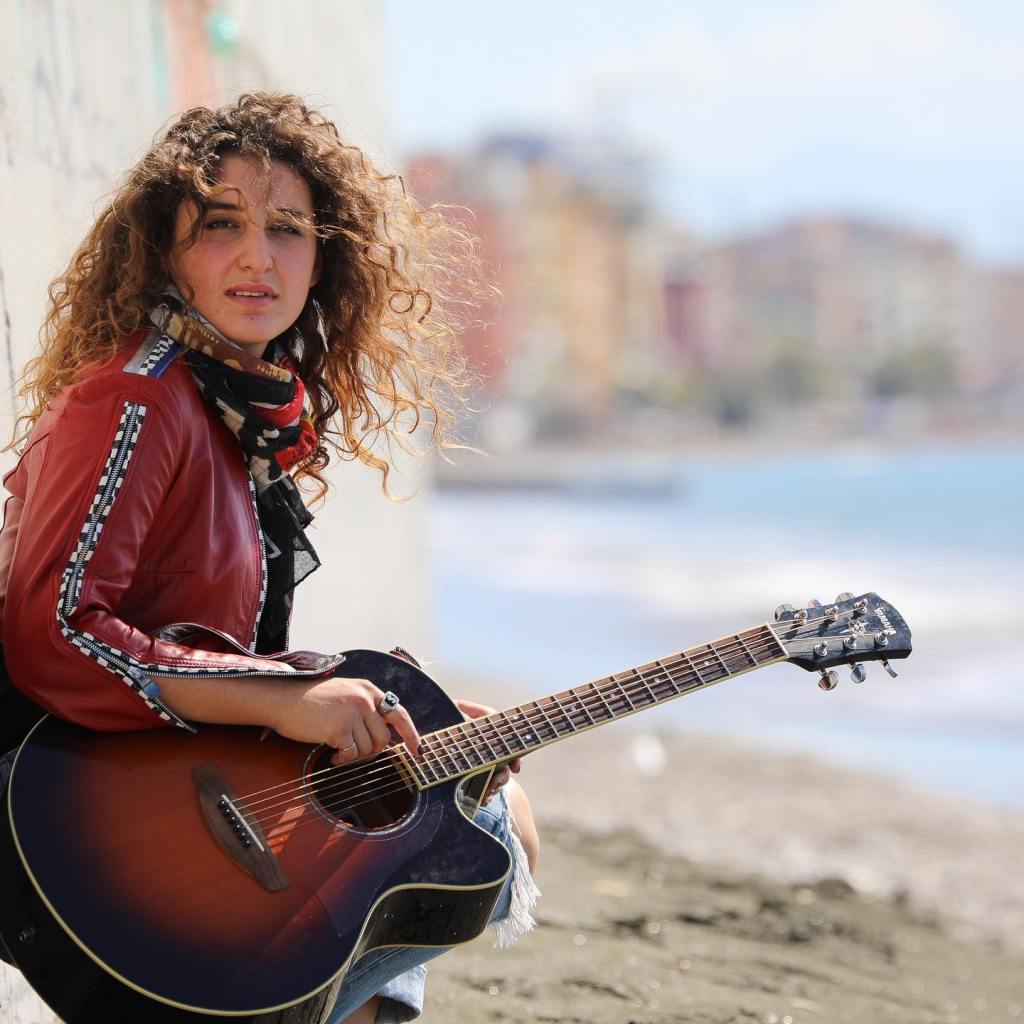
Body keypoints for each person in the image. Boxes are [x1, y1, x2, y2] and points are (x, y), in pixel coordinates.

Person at [0, 92, 539, 1024]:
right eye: (221, 225)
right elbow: (54, 635)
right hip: (59, 806)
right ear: (165, 252)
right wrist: (286, 698)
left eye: (287, 229)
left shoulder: (232, 408)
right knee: (489, 832)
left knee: (445, 813)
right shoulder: (134, 401)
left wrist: (394, 717)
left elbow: (197, 639)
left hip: (165, 779)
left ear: (323, 260)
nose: (258, 256)